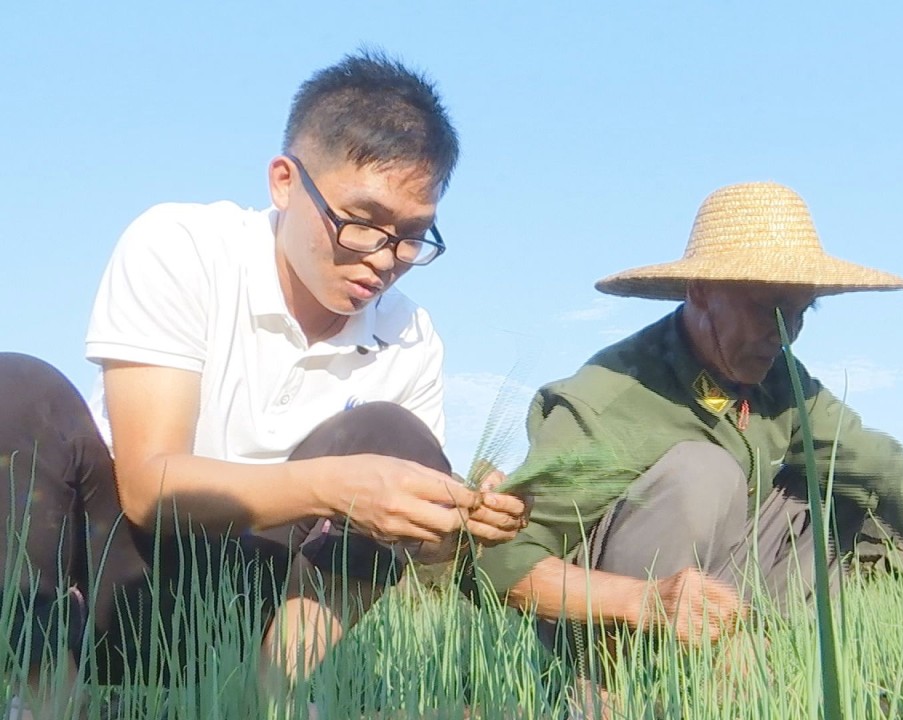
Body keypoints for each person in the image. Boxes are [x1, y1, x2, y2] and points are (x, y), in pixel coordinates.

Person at [0, 50, 527, 711]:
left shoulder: (411, 335)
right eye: (361, 222)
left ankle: (258, 704)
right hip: (114, 579)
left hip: (266, 608)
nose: (385, 259)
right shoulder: (181, 247)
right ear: (284, 182)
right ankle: (51, 701)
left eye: (413, 236)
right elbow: (146, 486)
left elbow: (397, 548)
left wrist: (459, 517)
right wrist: (341, 486)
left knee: (396, 436)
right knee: (14, 390)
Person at [473, 181, 903, 693]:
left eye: (801, 313)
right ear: (701, 291)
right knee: (705, 470)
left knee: (841, 488)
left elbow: (893, 477)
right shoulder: (612, 399)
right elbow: (496, 564)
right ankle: (617, 694)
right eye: (766, 309)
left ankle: (758, 670)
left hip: (715, 606)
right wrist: (646, 603)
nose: (787, 334)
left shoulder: (783, 382)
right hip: (616, 629)